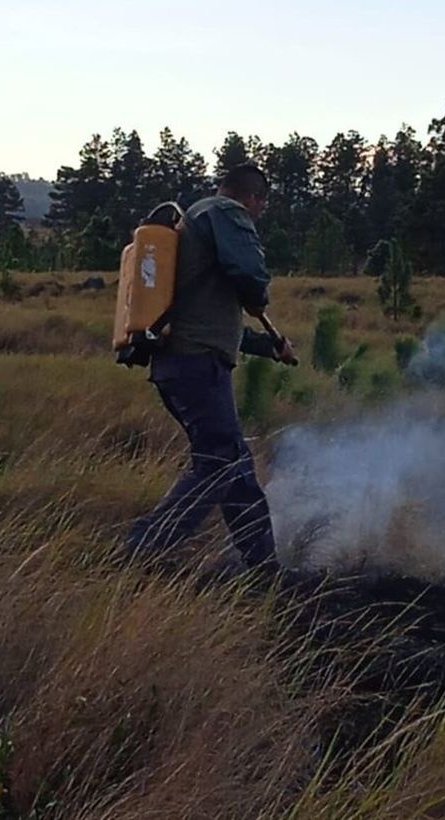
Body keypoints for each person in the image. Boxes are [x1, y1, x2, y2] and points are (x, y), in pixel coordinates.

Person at [127, 163, 296, 571]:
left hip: (184, 363)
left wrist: (268, 346)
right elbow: (250, 276)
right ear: (252, 198)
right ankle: (143, 547)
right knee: (219, 463)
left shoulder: (198, 222)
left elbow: (211, 319)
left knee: (236, 468)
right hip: (197, 365)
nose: (258, 214)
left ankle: (264, 569)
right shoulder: (225, 213)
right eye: (261, 206)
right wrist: (257, 291)